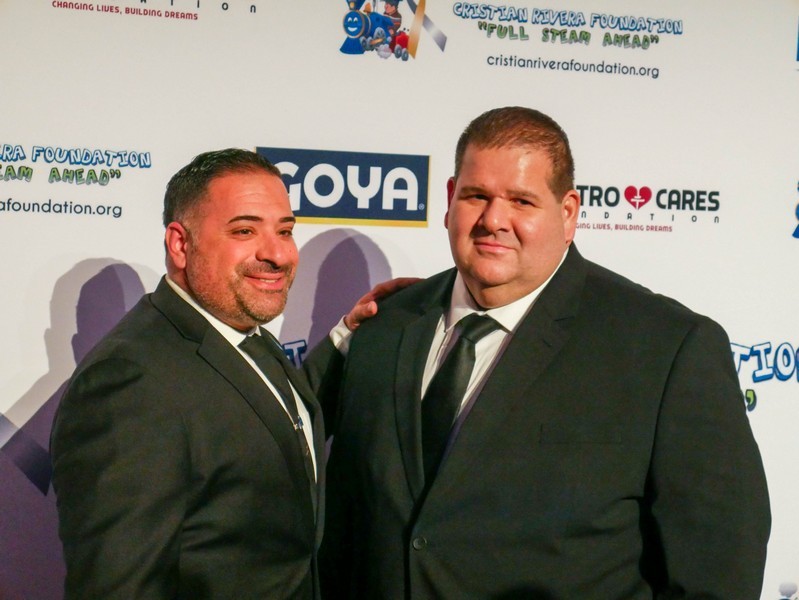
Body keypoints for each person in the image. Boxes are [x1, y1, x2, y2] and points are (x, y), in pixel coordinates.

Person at [309, 107, 772, 598]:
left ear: (568, 213)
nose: (493, 220)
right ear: (449, 199)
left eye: (521, 201)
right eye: (476, 196)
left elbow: (717, 569)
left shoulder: (667, 349)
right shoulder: (385, 324)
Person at [50, 148, 386, 599]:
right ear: (180, 244)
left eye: (285, 231)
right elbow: (119, 587)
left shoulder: (237, 332)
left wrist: (345, 338)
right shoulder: (129, 382)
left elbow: (263, 421)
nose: (277, 254)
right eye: (244, 230)